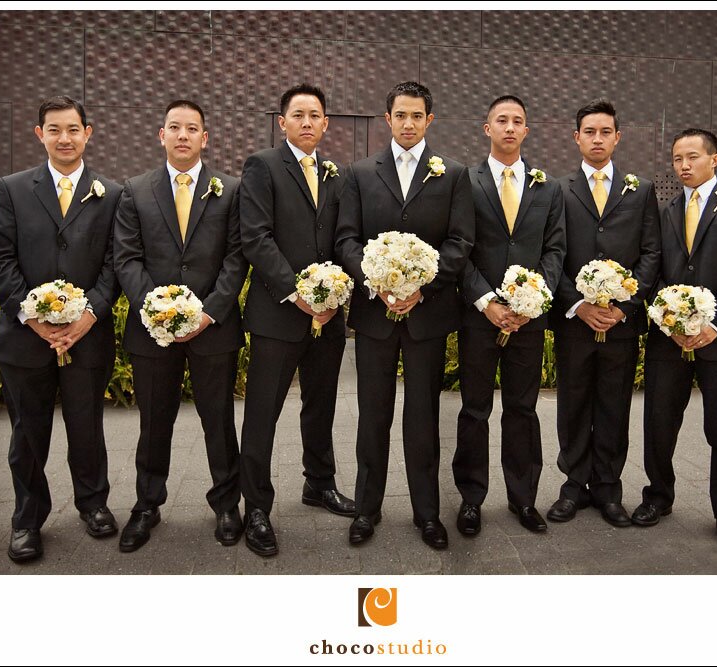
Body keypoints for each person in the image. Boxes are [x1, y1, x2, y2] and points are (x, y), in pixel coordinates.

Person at [336, 81, 474, 550]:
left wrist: (422, 286)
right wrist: (377, 283)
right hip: (376, 317)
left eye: (417, 116)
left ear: (429, 120)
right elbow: (347, 240)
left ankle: (428, 514)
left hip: (427, 315)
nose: (409, 123)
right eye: (400, 115)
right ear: (387, 118)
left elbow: (459, 242)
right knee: (372, 416)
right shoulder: (359, 173)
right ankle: (366, 510)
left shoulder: (453, 174)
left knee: (423, 417)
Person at [0, 95, 122, 562]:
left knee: (87, 428)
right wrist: (35, 317)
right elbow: (0, 259)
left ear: (89, 132)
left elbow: (114, 264)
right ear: (38, 133)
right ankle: (27, 519)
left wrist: (89, 316)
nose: (64, 138)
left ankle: (94, 504)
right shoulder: (13, 188)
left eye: (72, 129)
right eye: (54, 129)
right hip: (25, 339)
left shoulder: (113, 193)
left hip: (88, 338)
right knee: (27, 434)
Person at [114, 100, 248, 552]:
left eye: (193, 128)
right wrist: (158, 311)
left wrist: (208, 312)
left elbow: (236, 257)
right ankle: (147, 504)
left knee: (219, 420)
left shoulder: (229, 189)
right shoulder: (134, 190)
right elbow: (126, 258)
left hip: (214, 329)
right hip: (153, 331)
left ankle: (227, 504)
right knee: (154, 421)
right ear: (162, 134)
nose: (183, 135)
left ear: (205, 138)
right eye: (175, 127)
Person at [632, 128, 717, 549]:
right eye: (677, 159)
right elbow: (654, 267)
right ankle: (658, 497)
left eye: (692, 157)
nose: (684, 166)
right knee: (658, 422)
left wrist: (713, 323)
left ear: (715, 159)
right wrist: (669, 321)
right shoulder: (667, 209)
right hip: (668, 338)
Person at [238, 83, 354, 558]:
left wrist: (335, 293)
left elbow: (345, 237)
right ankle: (257, 506)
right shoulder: (263, 167)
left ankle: (319, 483)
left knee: (321, 404)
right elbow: (256, 237)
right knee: (263, 411)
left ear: (326, 124)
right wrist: (300, 294)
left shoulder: (337, 174)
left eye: (316, 115)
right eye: (298, 114)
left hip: (328, 315)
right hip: (278, 313)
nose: (307, 122)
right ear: (282, 122)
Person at [454, 95, 566, 536]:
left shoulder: (548, 187)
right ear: (486, 128)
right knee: (474, 409)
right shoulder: (466, 181)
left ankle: (524, 499)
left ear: (527, 130)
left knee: (523, 409)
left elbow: (555, 249)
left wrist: (531, 302)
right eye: (501, 120)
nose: (509, 127)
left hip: (528, 320)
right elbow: (459, 246)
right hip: (479, 317)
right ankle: (470, 499)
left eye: (518, 121)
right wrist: (487, 302)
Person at [548, 99, 660, 527]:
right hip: (576, 322)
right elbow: (552, 253)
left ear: (618, 136)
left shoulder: (641, 189)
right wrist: (577, 305)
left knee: (614, 406)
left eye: (605, 132)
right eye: (589, 132)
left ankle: (609, 490)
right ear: (577, 137)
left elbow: (651, 253)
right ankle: (574, 487)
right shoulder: (558, 189)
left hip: (619, 324)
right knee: (573, 404)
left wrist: (623, 305)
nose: (598, 139)